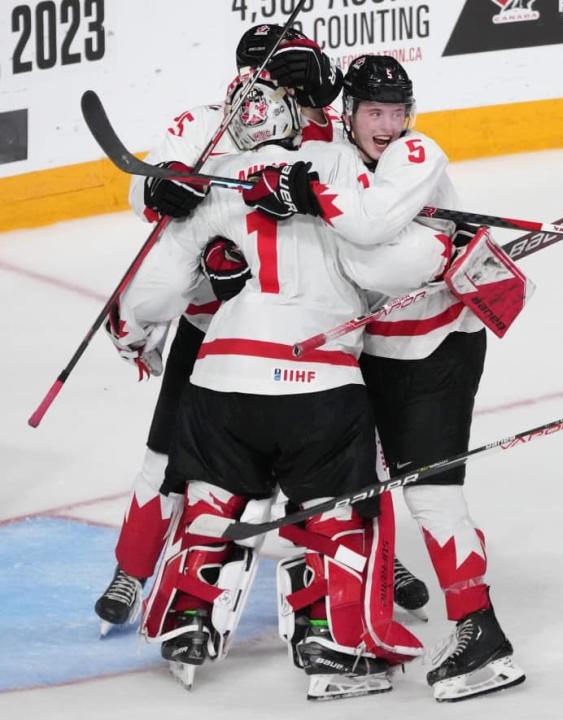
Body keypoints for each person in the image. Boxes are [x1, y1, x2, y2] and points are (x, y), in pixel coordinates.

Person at [112, 75, 451, 696]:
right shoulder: (345, 166)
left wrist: (131, 333)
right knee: (333, 516)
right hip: (319, 381)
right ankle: (332, 642)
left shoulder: (213, 186)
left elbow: (156, 287)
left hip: (221, 380)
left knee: (212, 501)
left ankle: (188, 620)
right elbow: (385, 260)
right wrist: (441, 251)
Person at [239, 55, 527, 702]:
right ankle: (356, 624)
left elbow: (375, 254)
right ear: (350, 112)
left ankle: (480, 633)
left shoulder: (419, 153)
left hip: (436, 351)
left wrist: (311, 203)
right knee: (348, 486)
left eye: (399, 111)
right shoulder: (337, 154)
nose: (390, 125)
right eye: (376, 112)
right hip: (369, 354)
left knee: (430, 493)